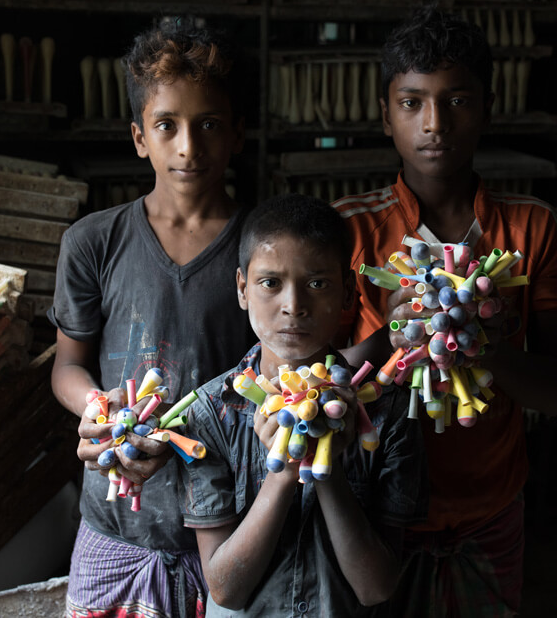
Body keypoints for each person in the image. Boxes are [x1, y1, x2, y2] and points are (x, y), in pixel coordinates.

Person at [332, 4, 557, 617]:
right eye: (412, 102)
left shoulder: (529, 227)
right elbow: (319, 392)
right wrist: (393, 332)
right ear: (386, 115)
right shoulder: (348, 231)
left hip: (489, 508)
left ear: (487, 109)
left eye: (457, 100)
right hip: (377, 509)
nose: (434, 123)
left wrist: (484, 343)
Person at [48, 16, 257, 618]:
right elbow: (68, 365)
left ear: (238, 132)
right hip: (114, 522)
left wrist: (200, 434)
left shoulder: (263, 249)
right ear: (139, 136)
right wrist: (100, 408)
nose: (188, 146)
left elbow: (278, 375)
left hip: (224, 527)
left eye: (209, 124)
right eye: (167, 126)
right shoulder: (94, 242)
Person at [179, 194, 427, 617]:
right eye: (270, 283)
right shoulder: (209, 414)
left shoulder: (390, 413)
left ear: (348, 291)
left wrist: (324, 465)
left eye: (317, 283)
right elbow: (224, 590)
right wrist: (284, 471)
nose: (293, 305)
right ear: (243, 289)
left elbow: (376, 587)